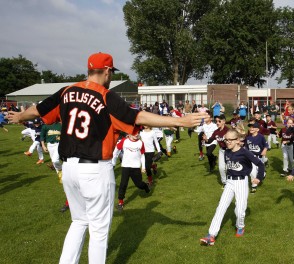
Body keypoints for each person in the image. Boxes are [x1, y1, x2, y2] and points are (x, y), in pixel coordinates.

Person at [7, 52, 207, 264]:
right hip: (95, 168)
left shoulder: (66, 91)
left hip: (70, 169)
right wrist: (179, 122)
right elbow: (137, 117)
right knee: (99, 231)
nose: (110, 76)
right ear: (107, 71)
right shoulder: (105, 96)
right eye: (111, 72)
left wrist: (19, 116)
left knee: (78, 222)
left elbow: (37, 110)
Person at [200, 129, 265, 246]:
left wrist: (258, 178)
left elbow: (260, 164)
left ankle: (240, 226)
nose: (228, 142)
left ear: (237, 140)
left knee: (240, 211)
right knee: (221, 207)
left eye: (231, 140)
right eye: (226, 140)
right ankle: (211, 235)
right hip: (230, 182)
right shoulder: (227, 152)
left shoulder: (245, 152)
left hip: (241, 182)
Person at [112, 132, 150, 211]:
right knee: (123, 184)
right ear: (129, 134)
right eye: (134, 133)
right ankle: (120, 202)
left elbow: (142, 155)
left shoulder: (140, 143)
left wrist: (143, 167)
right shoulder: (124, 141)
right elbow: (116, 149)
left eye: (137, 133)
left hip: (136, 167)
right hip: (126, 166)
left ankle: (145, 186)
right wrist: (113, 162)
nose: (136, 135)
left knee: (139, 184)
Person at [203, 114, 229, 187]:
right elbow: (209, 141)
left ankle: (231, 182)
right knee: (221, 167)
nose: (217, 123)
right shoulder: (216, 132)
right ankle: (224, 183)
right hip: (221, 151)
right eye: (216, 121)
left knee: (228, 168)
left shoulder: (228, 130)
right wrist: (205, 139)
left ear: (224, 121)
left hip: (230, 151)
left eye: (219, 121)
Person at [245, 122, 268, 193]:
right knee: (252, 171)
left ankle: (262, 174)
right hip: (251, 157)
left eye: (253, 127)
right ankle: (254, 186)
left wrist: (264, 150)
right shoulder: (248, 138)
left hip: (259, 156)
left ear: (257, 129)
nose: (251, 128)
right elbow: (246, 147)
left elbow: (266, 145)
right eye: (250, 127)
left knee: (258, 169)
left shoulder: (261, 137)